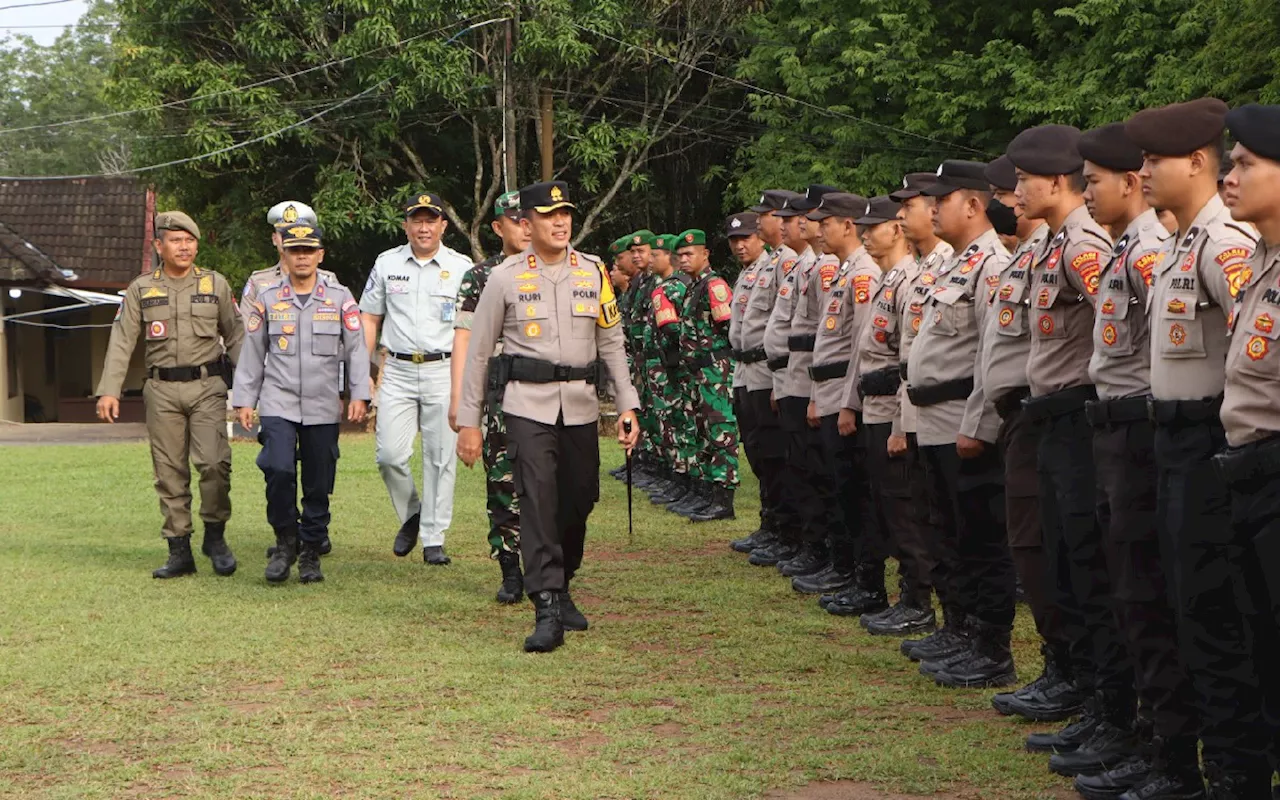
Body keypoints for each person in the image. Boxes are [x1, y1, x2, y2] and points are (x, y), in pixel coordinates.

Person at [1125, 98, 1263, 799]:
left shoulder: (1227, 246)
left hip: (1214, 448)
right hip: (1176, 444)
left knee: (1215, 618)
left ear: (1195, 163)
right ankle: (1203, 765)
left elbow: (1250, 353)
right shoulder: (1183, 242)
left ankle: (1233, 773)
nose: (1142, 172)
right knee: (1186, 610)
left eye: (1153, 160)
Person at [456, 181, 640, 653]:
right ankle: (546, 605)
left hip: (579, 404)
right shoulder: (505, 277)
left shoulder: (594, 272)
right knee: (536, 500)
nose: (560, 223)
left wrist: (628, 403)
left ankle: (564, 580)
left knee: (580, 497)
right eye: (548, 215)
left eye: (566, 214)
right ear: (526, 224)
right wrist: (469, 420)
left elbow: (611, 343)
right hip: (526, 405)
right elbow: (478, 354)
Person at [904, 161, 1014, 689]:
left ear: (971, 205)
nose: (930, 209)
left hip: (964, 424)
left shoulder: (992, 266)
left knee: (979, 537)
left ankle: (991, 645)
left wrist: (980, 424)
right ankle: (959, 628)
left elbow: (994, 355)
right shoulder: (952, 266)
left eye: (940, 200)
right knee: (946, 531)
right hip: (933, 420)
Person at [95, 211, 244, 579]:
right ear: (159, 246)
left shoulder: (215, 284)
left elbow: (237, 335)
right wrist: (109, 390)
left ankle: (215, 536)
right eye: (175, 241)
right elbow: (122, 339)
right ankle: (179, 550)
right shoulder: (142, 288)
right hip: (161, 390)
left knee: (213, 463)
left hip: (208, 386)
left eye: (189, 240)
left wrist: (250, 389)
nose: (184, 247)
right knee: (169, 471)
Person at [977, 157, 1072, 720]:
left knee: (1061, 556)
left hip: (1070, 421)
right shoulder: (1033, 254)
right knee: (1037, 552)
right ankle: (1067, 672)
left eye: (1014, 185)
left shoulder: (1080, 252)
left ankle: (1086, 686)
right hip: (1028, 418)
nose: (1008, 198)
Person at [232, 224, 370, 584]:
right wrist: (244, 399)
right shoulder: (268, 297)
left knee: (318, 479)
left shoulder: (340, 297)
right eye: (295, 250)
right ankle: (284, 541)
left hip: (323, 404)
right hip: (278, 400)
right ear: (285, 255)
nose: (303, 256)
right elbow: (252, 351)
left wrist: (359, 394)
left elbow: (356, 349)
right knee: (277, 467)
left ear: (320, 254)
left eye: (310, 250)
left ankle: (310, 551)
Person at [1219, 102, 1280, 800]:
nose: (1230, 176)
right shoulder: (1261, 260)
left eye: (1246, 164)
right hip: (1249, 474)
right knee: (1258, 647)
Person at [359, 192, 472, 565]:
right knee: (390, 455)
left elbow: (468, 327)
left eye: (430, 220)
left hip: (444, 368)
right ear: (406, 225)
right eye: (416, 220)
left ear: (443, 225)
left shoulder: (460, 267)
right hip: (399, 369)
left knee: (441, 457)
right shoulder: (387, 263)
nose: (423, 227)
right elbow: (370, 317)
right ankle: (412, 514)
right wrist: (364, 371)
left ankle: (434, 538)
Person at [847, 195, 935, 635]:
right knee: (885, 506)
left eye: (874, 226)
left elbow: (908, 362)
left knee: (904, 511)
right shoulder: (887, 279)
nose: (865, 234)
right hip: (874, 408)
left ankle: (918, 599)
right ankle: (903, 594)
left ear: (895, 231)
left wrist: (902, 426)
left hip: (894, 414)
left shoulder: (909, 282)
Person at [804, 192, 884, 617]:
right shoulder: (844, 273)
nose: (820, 230)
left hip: (846, 396)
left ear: (848, 226)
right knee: (840, 488)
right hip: (831, 393)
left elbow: (861, 346)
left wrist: (850, 403)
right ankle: (850, 571)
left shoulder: (863, 275)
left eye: (827, 222)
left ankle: (867, 580)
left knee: (855, 492)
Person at [450, 190, 530, 603]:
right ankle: (510, 569)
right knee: (502, 483)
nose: (526, 228)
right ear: (499, 227)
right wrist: (461, 402)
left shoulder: (562, 270)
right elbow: (464, 338)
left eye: (529, 218)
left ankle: (547, 568)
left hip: (551, 394)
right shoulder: (481, 277)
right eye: (516, 220)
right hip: (501, 396)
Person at [760, 186, 842, 581]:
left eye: (801, 217)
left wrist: (810, 388)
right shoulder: (804, 265)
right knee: (798, 465)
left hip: (812, 382)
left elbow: (827, 334)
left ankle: (821, 548)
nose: (796, 224)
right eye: (793, 218)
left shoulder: (825, 267)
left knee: (815, 470)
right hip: (792, 377)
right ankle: (809, 543)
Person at [734, 190, 801, 549]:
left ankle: (786, 529)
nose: (759, 221)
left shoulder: (789, 262)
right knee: (759, 450)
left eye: (766, 215)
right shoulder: (762, 266)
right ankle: (771, 521)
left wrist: (780, 377)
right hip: (748, 370)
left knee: (776, 453)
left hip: (768, 369)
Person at [673, 227, 740, 519]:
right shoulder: (693, 286)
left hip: (716, 371)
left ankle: (724, 499)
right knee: (702, 432)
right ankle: (707, 493)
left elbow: (730, 327)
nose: (684, 260)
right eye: (680, 256)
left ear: (705, 254)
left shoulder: (714, 286)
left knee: (720, 432)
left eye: (689, 254)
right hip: (698, 373)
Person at [642, 234, 699, 510]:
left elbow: (675, 328)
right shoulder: (665, 286)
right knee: (670, 423)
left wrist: (674, 355)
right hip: (664, 364)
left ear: (668, 258)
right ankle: (677, 478)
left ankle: (686, 481)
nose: (651, 259)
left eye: (655, 255)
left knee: (680, 421)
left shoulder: (673, 288)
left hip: (675, 366)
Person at [239, 201, 334, 320]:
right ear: (274, 239)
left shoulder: (328, 281)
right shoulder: (258, 281)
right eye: (285, 234)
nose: (291, 240)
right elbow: (246, 327)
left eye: (296, 234)